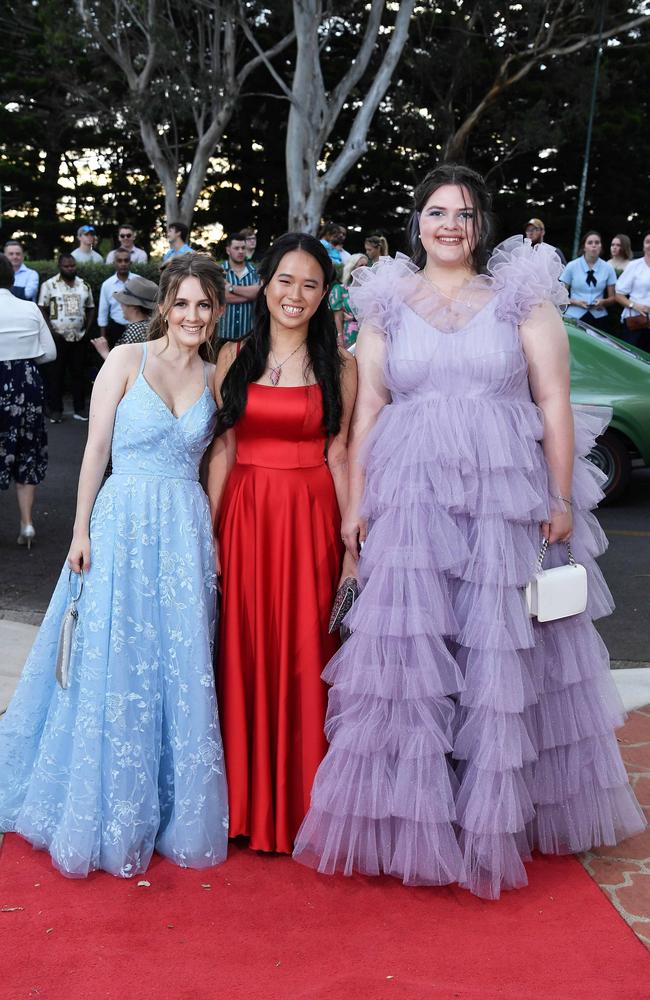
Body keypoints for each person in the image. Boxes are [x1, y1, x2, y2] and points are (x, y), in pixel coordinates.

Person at [293, 164, 645, 900]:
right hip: (412, 496)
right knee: (417, 654)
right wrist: (355, 504)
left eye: (463, 212)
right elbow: (370, 410)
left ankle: (493, 817)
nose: (449, 224)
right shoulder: (387, 301)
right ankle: (419, 816)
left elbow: (553, 402)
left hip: (501, 501)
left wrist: (559, 497)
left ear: (481, 224)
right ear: (417, 221)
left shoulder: (520, 299)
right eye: (435, 211)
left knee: (497, 652)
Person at [0, 253, 229, 879]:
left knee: (175, 660)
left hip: (183, 530)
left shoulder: (216, 375)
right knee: (113, 651)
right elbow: (95, 449)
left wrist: (210, 532)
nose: (191, 315)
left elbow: (219, 462)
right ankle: (103, 803)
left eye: (203, 305)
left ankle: (164, 807)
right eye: (181, 303)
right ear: (164, 308)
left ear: (216, 313)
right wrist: (78, 531)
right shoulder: (128, 360)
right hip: (121, 519)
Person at [207, 232, 357, 855]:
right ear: (264, 285)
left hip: (310, 517)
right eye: (285, 281)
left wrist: (352, 545)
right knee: (240, 649)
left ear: (325, 296)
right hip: (243, 516)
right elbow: (223, 446)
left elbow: (341, 452)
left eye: (310, 284)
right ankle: (243, 804)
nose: (295, 295)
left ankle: (303, 806)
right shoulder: (232, 354)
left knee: (304, 649)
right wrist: (208, 534)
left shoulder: (342, 365)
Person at [0, 253, 56, 547]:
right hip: (27, 381)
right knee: (27, 451)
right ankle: (27, 524)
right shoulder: (29, 308)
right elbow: (50, 353)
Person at [38, 252, 95, 422]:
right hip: (58, 337)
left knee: (78, 373)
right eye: (66, 266)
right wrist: (51, 330)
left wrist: (88, 328)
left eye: (72, 265)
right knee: (56, 374)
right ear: (60, 266)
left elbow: (91, 307)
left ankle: (79, 409)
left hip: (78, 337)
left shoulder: (84, 285)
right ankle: (56, 411)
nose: (70, 268)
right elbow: (42, 307)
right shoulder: (49, 285)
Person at [90, 275, 158, 360]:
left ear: (134, 307)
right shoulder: (152, 324)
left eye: (124, 302)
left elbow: (122, 365)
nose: (121, 306)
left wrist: (104, 352)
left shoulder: (135, 329)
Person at [560, 231, 617, 332]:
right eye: (590, 243)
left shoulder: (608, 268)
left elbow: (613, 298)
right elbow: (560, 296)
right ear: (584, 247)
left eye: (597, 242)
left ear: (601, 246)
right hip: (573, 316)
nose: (594, 245)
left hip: (599, 317)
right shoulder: (572, 266)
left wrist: (603, 302)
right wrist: (576, 302)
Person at [219, 233, 260, 341]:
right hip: (223, 334)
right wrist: (251, 294)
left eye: (243, 248)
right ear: (228, 250)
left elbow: (259, 292)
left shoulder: (254, 271)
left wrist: (231, 287)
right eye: (236, 248)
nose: (241, 251)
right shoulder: (219, 271)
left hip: (248, 336)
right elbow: (221, 297)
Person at [615, 230, 650, 352]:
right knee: (630, 357)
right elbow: (618, 294)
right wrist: (635, 305)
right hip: (636, 321)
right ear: (643, 245)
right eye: (647, 242)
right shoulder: (634, 266)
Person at [329, 252, 368, 348]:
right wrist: (340, 336)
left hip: (367, 332)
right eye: (361, 265)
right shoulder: (340, 289)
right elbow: (337, 317)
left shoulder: (369, 289)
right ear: (352, 268)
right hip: (349, 333)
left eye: (366, 265)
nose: (364, 268)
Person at [97, 249, 134, 347]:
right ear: (114, 263)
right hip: (116, 329)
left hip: (137, 328)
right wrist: (103, 338)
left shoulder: (138, 281)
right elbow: (103, 313)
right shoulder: (107, 285)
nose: (123, 264)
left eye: (126, 260)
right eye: (119, 260)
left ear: (130, 263)